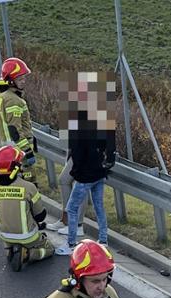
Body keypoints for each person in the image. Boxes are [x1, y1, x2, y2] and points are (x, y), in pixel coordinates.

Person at [60, 71, 116, 255]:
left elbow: (77, 151)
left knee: (72, 208)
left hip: (85, 175)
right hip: (100, 172)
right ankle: (103, 240)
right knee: (99, 206)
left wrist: (76, 172)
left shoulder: (78, 121)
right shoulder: (102, 117)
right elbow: (110, 144)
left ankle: (70, 244)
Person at [0, 57, 53, 219]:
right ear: (10, 80)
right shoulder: (14, 100)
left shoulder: (2, 96)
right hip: (19, 152)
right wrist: (27, 152)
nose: (24, 81)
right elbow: (15, 130)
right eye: (20, 78)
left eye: (24, 77)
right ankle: (32, 219)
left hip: (7, 151)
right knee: (29, 187)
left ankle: (16, 218)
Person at [0, 145, 53, 264]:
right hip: (27, 236)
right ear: (16, 168)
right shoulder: (28, 187)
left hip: (4, 235)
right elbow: (40, 216)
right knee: (49, 248)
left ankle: (9, 249)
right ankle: (27, 254)